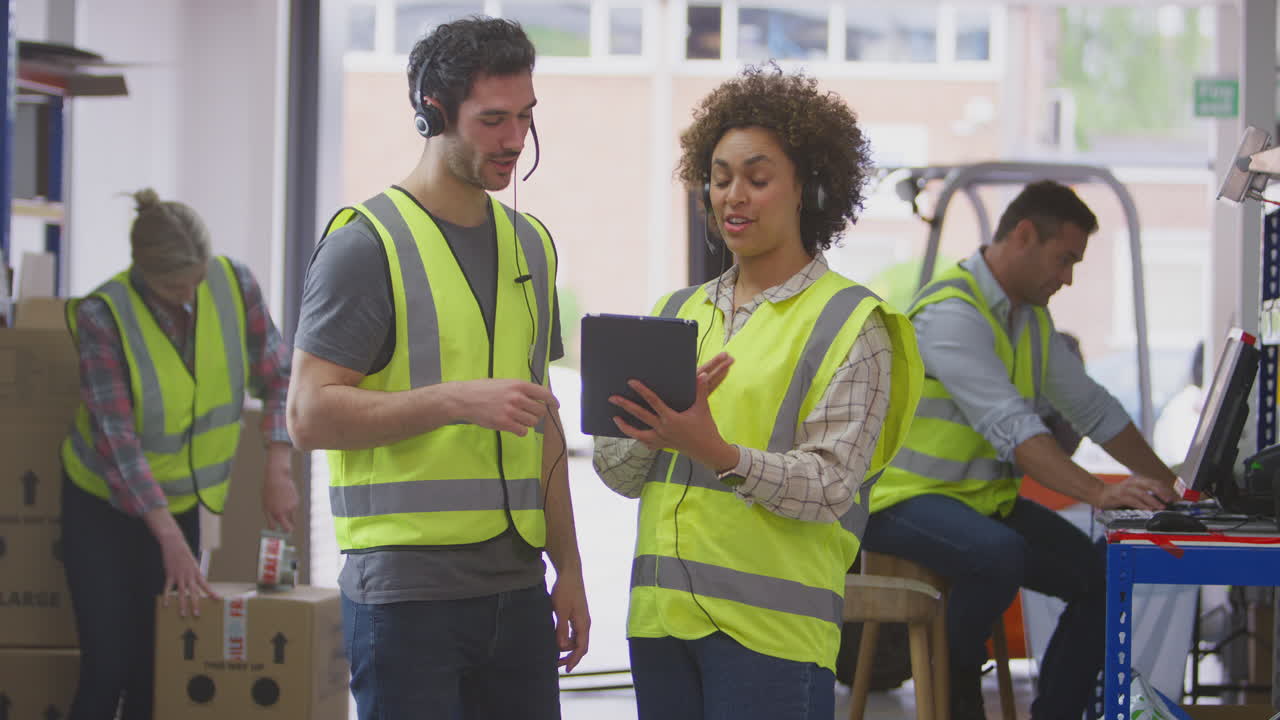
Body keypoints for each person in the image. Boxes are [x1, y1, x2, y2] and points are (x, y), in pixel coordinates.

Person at [593, 64, 924, 720]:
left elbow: (831, 485)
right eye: (719, 178)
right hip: (660, 624)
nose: (733, 196)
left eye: (757, 177)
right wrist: (645, 435)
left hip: (772, 637)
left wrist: (717, 451)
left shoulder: (852, 323)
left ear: (808, 187)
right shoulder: (675, 314)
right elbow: (617, 471)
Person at [286, 16, 589, 720]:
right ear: (432, 114)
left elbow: (542, 421)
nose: (515, 140)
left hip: (516, 593)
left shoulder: (531, 246)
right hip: (406, 600)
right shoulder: (366, 246)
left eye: (524, 117)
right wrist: (453, 401)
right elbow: (307, 415)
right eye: (492, 121)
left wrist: (568, 569)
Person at [864, 180, 1180, 720]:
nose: (1068, 277)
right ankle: (955, 683)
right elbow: (1015, 431)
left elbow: (1093, 408)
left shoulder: (1028, 318)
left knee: (1107, 575)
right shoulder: (951, 314)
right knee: (998, 554)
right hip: (900, 502)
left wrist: (1175, 488)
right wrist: (1101, 492)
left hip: (978, 504)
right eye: (1064, 260)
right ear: (1024, 236)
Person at [60, 188, 297, 720]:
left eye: (196, 278)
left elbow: (279, 375)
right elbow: (118, 442)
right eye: (173, 286)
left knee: (161, 665)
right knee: (108, 667)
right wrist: (167, 537)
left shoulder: (234, 286)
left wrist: (278, 465)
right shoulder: (105, 316)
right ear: (142, 271)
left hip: (183, 502)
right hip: (103, 505)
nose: (188, 296)